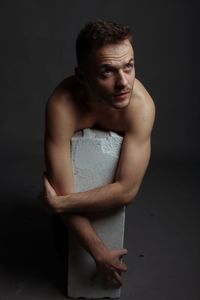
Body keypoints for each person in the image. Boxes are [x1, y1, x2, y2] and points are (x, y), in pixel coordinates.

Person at [42, 19, 155, 287]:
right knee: (62, 252)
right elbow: (62, 187)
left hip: (101, 199)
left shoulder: (140, 107)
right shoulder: (62, 105)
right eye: (107, 72)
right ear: (81, 76)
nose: (123, 82)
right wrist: (100, 254)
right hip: (76, 188)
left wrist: (59, 204)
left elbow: (127, 190)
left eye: (129, 66)